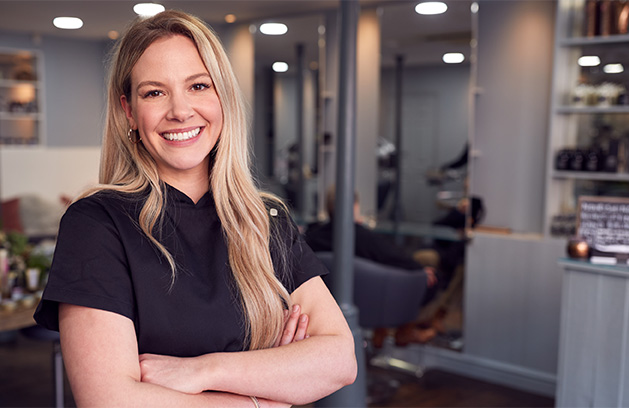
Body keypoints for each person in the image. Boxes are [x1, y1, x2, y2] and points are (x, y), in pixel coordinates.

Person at [33, 10, 356, 407]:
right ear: (129, 111)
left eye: (198, 86)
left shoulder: (264, 220)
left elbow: (339, 361)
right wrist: (270, 392)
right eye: (155, 92)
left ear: (222, 96)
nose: (180, 110)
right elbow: (109, 401)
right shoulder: (97, 224)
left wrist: (203, 371)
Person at [303, 187, 440, 346]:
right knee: (431, 276)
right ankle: (404, 331)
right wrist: (421, 273)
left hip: (334, 303)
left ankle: (381, 333)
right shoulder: (363, 236)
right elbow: (398, 259)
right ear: (354, 206)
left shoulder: (314, 237)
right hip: (377, 300)